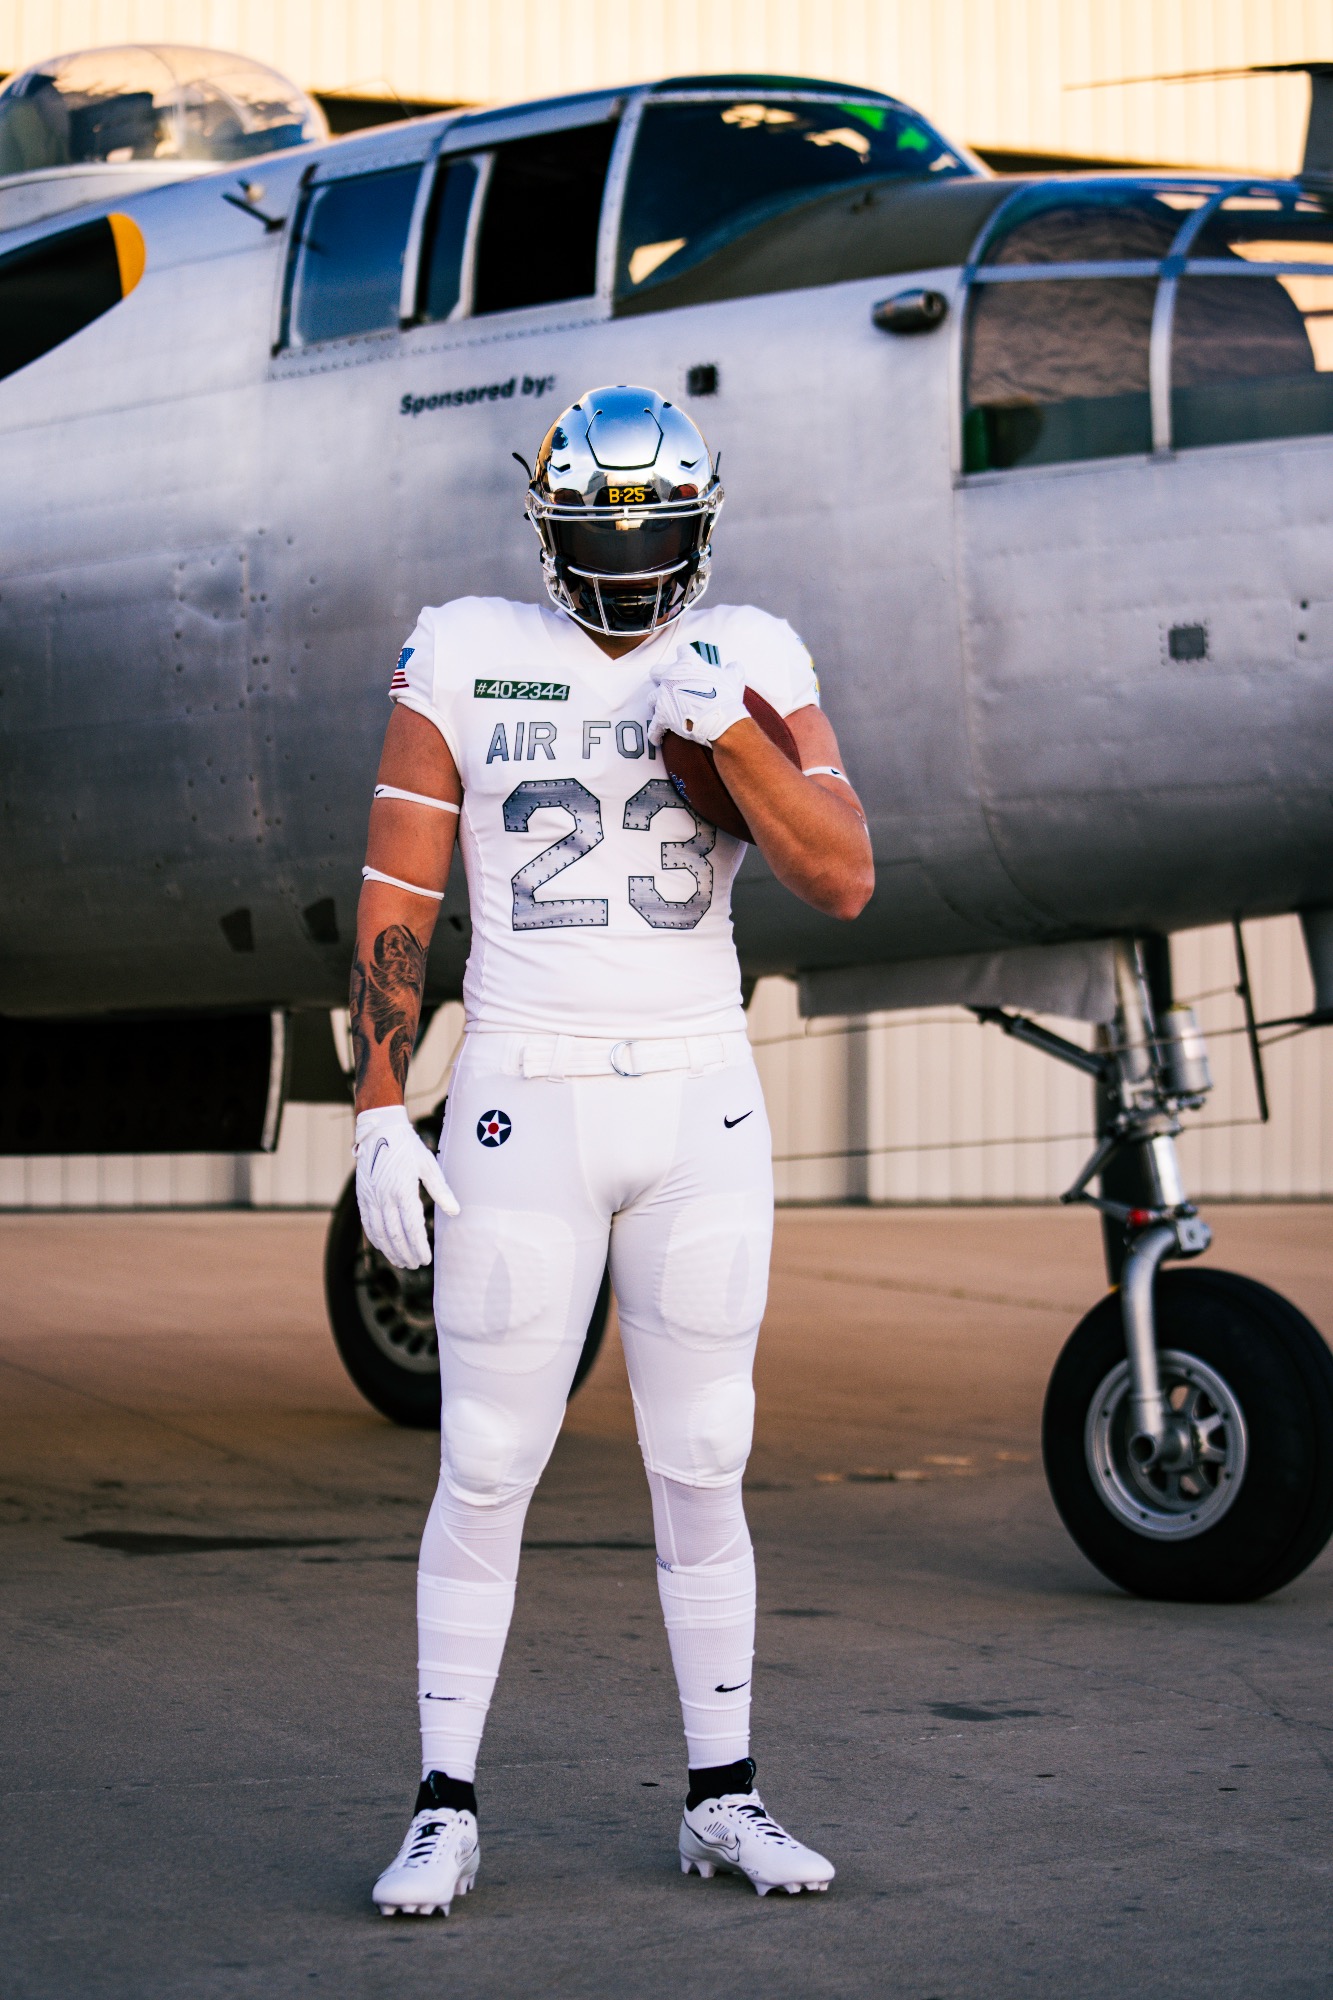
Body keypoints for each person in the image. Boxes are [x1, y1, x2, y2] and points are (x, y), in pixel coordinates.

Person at [350, 384, 873, 1916]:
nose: (627, 571)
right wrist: (381, 1101)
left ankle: (725, 1797)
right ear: (545, 523)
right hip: (525, 1084)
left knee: (703, 1457)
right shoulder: (464, 646)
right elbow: (397, 889)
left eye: (652, 540)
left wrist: (728, 737)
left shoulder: (753, 654)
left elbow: (839, 874)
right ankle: (444, 1803)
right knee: (488, 1458)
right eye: (596, 536)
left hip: (699, 1096)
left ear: (703, 530)